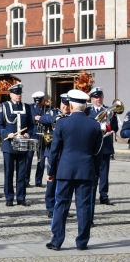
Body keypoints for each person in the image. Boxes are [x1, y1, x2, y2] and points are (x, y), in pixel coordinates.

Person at [46, 89, 103, 251]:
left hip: (65, 170)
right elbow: (97, 151)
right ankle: (82, 241)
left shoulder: (62, 123)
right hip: (86, 170)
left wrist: (51, 172)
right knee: (84, 206)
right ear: (85, 106)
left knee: (61, 204)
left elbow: (55, 150)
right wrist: (95, 170)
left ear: (70, 105)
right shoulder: (94, 124)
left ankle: (57, 240)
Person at [0, 83, 33, 207]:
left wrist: (28, 133)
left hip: (22, 145)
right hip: (9, 145)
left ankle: (21, 197)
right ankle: (9, 197)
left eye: (20, 93)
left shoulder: (26, 107)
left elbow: (31, 125)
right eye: (16, 94)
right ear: (10, 94)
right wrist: (7, 133)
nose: (18, 96)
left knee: (22, 173)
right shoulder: (4, 106)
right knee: (9, 172)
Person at [38, 93, 72, 218]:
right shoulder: (53, 113)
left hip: (66, 153)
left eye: (68, 105)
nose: (65, 107)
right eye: (64, 104)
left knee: (66, 183)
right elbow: (42, 119)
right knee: (51, 182)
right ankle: (50, 208)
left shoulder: (72, 117)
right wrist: (55, 119)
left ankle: (64, 208)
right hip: (53, 152)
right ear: (60, 103)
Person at [89, 87, 118, 207]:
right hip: (93, 147)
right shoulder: (88, 111)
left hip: (105, 145)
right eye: (96, 97)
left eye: (100, 97)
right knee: (93, 173)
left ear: (103, 97)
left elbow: (115, 127)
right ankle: (91, 194)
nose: (98, 99)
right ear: (92, 98)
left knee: (104, 173)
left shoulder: (109, 110)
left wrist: (109, 126)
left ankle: (104, 196)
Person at [25, 91, 53, 188]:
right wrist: (34, 118)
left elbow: (51, 118)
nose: (38, 104)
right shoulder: (30, 107)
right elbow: (26, 119)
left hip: (44, 136)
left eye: (40, 102)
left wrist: (42, 118)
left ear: (43, 100)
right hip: (33, 135)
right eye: (36, 102)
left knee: (41, 160)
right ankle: (26, 180)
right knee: (28, 159)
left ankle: (38, 181)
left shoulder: (48, 108)